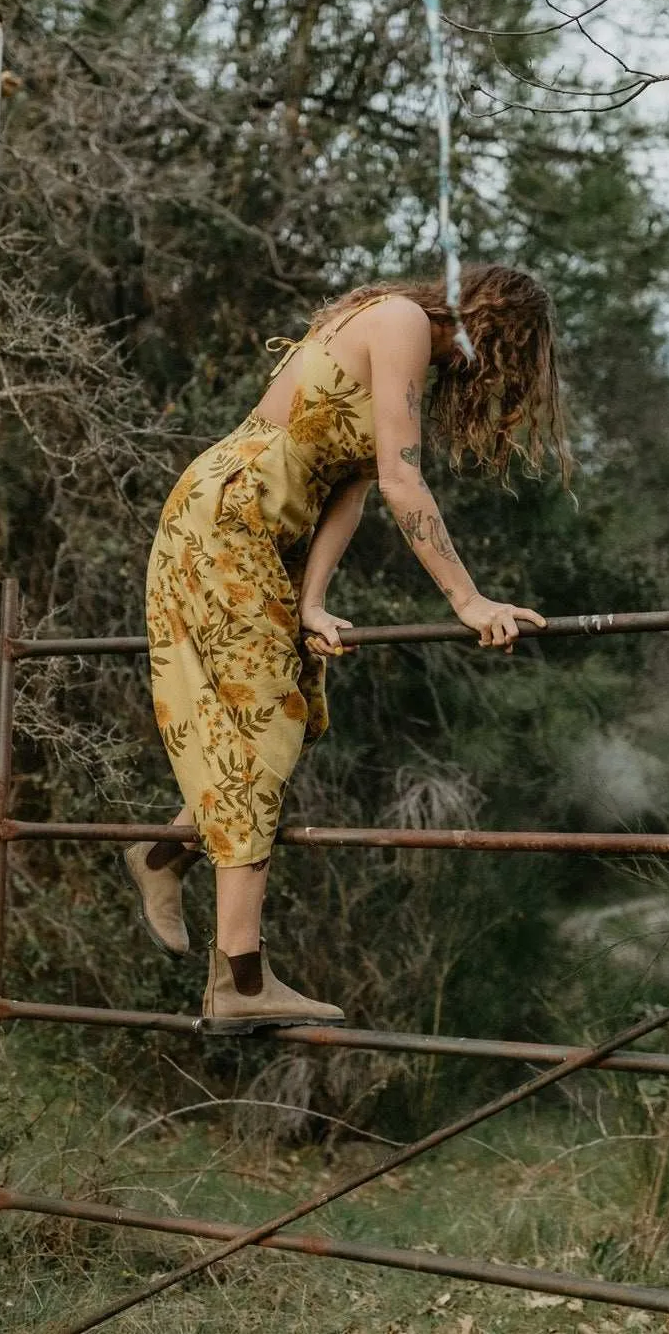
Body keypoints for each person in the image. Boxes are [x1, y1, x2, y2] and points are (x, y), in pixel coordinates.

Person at [126, 264, 567, 1033]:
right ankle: (240, 979)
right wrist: (468, 597)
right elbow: (401, 481)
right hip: (229, 521)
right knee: (264, 729)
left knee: (289, 715)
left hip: (260, 533)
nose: (495, 375)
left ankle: (166, 856)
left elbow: (350, 489)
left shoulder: (401, 344)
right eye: (508, 355)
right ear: (492, 326)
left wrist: (311, 602)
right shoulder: (397, 321)